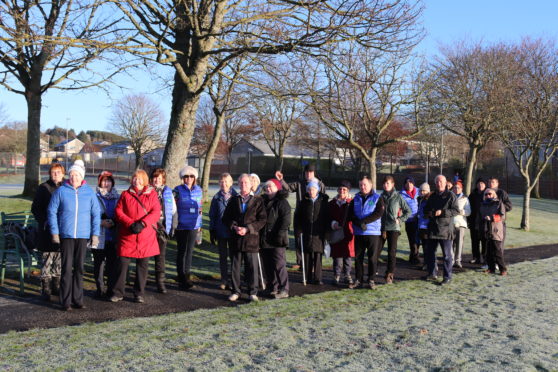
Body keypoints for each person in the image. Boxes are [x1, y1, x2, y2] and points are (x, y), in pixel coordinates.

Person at [47, 160, 100, 311]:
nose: (73, 177)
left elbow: (96, 213)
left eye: (76, 174)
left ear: (81, 176)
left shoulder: (89, 192)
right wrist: (55, 232)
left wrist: (95, 234)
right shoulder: (61, 191)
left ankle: (78, 299)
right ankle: (65, 301)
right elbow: (51, 211)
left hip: (82, 235)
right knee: (66, 268)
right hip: (66, 235)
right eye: (71, 174)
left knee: (79, 268)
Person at [111, 170, 161, 303]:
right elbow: (118, 211)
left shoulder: (152, 194)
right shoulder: (125, 194)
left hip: (145, 236)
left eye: (139, 179)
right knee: (122, 265)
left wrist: (143, 223)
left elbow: (156, 212)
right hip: (127, 234)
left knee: (142, 267)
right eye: (134, 178)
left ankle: (139, 293)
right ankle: (118, 292)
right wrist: (131, 223)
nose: (136, 181)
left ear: (144, 180)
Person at [223, 174, 267, 302]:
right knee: (235, 268)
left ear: (251, 183)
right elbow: (225, 218)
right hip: (236, 240)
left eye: (246, 182)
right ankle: (236, 291)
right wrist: (234, 227)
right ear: (238, 184)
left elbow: (262, 220)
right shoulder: (233, 199)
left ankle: (252, 292)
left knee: (252, 268)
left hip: (251, 240)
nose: (243, 185)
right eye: (241, 183)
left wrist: (248, 229)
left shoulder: (258, 200)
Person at [275, 164, 326, 269]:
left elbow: (324, 200)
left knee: (314, 240)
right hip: (300, 215)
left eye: (310, 172)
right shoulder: (300, 184)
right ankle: (300, 262)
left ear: (314, 173)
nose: (308, 174)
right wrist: (281, 180)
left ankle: (312, 264)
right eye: (307, 172)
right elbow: (288, 188)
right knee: (299, 238)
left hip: (315, 216)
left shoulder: (320, 185)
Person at [31, 163, 65, 300]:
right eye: (53, 172)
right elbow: (35, 209)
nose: (55, 174)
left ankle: (56, 287)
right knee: (47, 260)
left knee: (59, 259)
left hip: (62, 231)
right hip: (46, 231)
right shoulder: (43, 188)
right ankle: (45, 288)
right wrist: (44, 221)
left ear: (63, 174)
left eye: (58, 172)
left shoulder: (66, 188)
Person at [348, 176, 385, 289]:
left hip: (372, 232)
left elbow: (379, 213)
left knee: (372, 258)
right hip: (359, 232)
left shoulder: (377, 198)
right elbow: (351, 214)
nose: (362, 187)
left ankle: (371, 280)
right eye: (360, 185)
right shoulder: (355, 199)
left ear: (370, 185)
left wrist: (364, 221)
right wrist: (359, 223)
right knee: (358, 258)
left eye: (365, 185)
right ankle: (358, 280)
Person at [423, 175, 460, 285]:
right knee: (430, 253)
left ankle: (447, 277)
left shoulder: (451, 195)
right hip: (433, 228)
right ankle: (432, 273)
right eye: (437, 181)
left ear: (445, 183)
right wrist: (429, 213)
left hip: (445, 230)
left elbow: (456, 211)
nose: (439, 183)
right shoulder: (432, 196)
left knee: (447, 256)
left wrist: (442, 212)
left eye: (441, 181)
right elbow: (426, 209)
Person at [294, 179, 329, 285]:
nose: (311, 191)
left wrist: (327, 231)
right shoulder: (303, 202)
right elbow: (297, 217)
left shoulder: (323, 201)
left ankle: (318, 278)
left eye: (313, 189)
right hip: (306, 232)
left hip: (319, 233)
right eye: (309, 189)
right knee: (307, 255)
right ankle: (307, 277)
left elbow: (327, 217)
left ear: (317, 190)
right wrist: (298, 230)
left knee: (318, 256)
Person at [260, 179, 291, 298]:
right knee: (267, 265)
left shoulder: (282, 202)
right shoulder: (262, 201)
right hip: (265, 238)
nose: (268, 188)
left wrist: (279, 233)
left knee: (279, 264)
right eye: (266, 186)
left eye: (271, 186)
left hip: (277, 239)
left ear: (277, 188)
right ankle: (272, 287)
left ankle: (284, 289)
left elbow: (286, 220)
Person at [174, 165, 203, 290]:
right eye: (186, 176)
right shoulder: (177, 190)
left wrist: (200, 225)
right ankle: (181, 277)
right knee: (182, 251)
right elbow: (173, 209)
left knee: (190, 252)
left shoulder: (199, 190)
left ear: (195, 178)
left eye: (191, 176)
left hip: (194, 226)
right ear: (182, 178)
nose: (189, 178)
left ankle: (187, 275)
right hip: (181, 225)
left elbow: (200, 209)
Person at [92, 171, 119, 298]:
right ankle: (100, 288)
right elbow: (88, 216)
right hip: (99, 235)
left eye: (108, 180)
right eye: (103, 180)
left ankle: (111, 288)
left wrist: (114, 221)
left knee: (112, 264)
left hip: (113, 236)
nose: (106, 183)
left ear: (112, 182)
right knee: (99, 264)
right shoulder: (94, 197)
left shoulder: (118, 197)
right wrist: (101, 222)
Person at [379, 175, 411, 284]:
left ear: (393, 184)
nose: (385, 185)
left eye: (388, 183)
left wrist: (400, 219)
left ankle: (389, 274)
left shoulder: (398, 197)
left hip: (393, 228)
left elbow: (408, 211)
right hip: (382, 228)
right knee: (376, 251)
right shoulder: (380, 197)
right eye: (384, 183)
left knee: (391, 253)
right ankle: (372, 274)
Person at [209, 173, 237, 290]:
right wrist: (212, 230)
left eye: (226, 181)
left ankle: (234, 281)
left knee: (233, 257)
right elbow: (212, 215)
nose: (223, 184)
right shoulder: (216, 198)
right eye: (221, 181)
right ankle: (224, 280)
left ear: (231, 183)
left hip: (232, 232)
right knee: (223, 257)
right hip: (220, 232)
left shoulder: (236, 196)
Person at [150, 168, 176, 294]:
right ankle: (139, 282)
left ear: (163, 180)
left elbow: (173, 211)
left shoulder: (168, 192)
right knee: (143, 257)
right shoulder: (147, 191)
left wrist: (172, 227)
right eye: (155, 178)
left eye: (159, 178)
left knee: (160, 257)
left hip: (162, 228)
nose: (157, 180)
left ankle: (160, 282)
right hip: (149, 227)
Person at [328, 180, 355, 286]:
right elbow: (328, 216)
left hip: (348, 231)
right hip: (336, 232)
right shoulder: (332, 203)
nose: (342, 191)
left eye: (344, 189)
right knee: (337, 255)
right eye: (340, 189)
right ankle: (336, 275)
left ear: (348, 191)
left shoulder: (352, 202)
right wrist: (333, 223)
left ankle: (347, 275)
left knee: (348, 255)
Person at [478, 188, 507, 276]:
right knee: (488, 252)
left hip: (496, 230)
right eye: (486, 194)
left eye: (489, 194)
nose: (488, 196)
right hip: (486, 230)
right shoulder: (482, 205)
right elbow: (479, 217)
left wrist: (492, 218)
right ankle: (491, 268)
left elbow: (502, 216)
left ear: (494, 195)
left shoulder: (498, 203)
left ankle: (503, 269)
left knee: (497, 251)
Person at [400, 176, 420, 264]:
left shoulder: (419, 191)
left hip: (419, 219)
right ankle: (414, 256)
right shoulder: (401, 194)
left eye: (411, 183)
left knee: (418, 239)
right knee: (412, 239)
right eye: (407, 183)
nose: (409, 185)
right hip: (409, 220)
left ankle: (414, 256)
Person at [467, 178, 487, 264]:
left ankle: (484, 258)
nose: (480, 185)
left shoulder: (488, 194)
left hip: (484, 222)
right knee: (474, 241)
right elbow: (468, 208)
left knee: (484, 241)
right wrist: (468, 220)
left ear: (485, 185)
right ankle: (476, 257)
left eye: (482, 183)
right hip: (474, 221)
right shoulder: (472, 195)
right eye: (479, 183)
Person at [451, 181, 470, 268]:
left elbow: (468, 211)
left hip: (461, 223)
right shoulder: (449, 197)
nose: (456, 189)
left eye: (458, 187)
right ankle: (451, 260)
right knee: (450, 243)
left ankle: (458, 260)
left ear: (461, 189)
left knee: (459, 243)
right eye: (455, 187)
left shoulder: (465, 199)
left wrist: (461, 211)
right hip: (450, 223)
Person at [416, 182, 431, 266]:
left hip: (427, 226)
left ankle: (428, 264)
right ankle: (426, 263)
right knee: (424, 246)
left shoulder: (429, 199)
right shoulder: (420, 199)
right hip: (421, 225)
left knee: (427, 247)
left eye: (424, 191)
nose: (422, 192)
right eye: (421, 191)